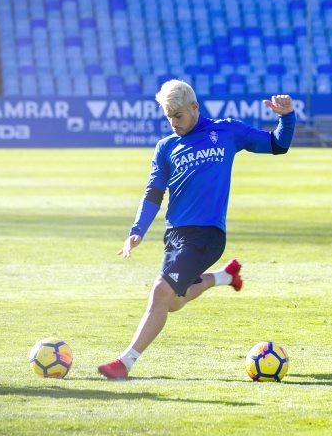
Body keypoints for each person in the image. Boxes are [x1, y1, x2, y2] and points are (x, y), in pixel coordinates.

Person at [98, 79, 296, 380]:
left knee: (160, 292)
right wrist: (137, 229)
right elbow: (153, 192)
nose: (173, 123)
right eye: (168, 117)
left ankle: (125, 363)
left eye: (178, 116)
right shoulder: (166, 147)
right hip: (175, 235)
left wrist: (287, 116)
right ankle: (224, 276)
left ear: (194, 108)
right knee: (173, 301)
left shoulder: (226, 131)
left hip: (207, 234)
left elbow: (277, 145)